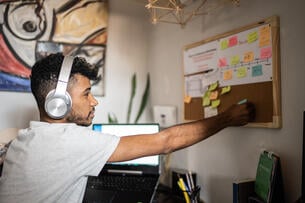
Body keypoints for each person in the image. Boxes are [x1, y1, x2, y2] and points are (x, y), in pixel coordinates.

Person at [0, 53, 255, 203]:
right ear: (58, 103)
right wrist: (228, 118)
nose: (94, 101)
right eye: (87, 93)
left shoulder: (24, 139)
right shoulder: (67, 140)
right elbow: (166, 142)